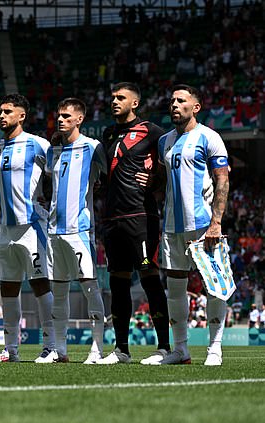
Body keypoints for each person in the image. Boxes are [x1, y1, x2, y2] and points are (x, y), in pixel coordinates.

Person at [97, 82, 171, 365]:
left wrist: (156, 180)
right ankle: (121, 350)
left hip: (141, 217)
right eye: (112, 97)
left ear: (135, 103)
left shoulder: (152, 132)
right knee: (118, 283)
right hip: (112, 219)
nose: (114, 101)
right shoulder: (108, 133)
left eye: (120, 98)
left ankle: (164, 347)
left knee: (149, 277)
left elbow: (170, 164)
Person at [156, 84, 231, 366]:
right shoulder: (165, 141)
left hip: (203, 226)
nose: (174, 104)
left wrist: (216, 222)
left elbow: (222, 180)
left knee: (214, 286)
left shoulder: (210, 137)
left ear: (195, 107)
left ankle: (214, 348)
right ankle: (181, 350)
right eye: (172, 100)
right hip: (172, 227)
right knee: (175, 289)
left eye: (181, 100)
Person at [0, 93, 55, 363]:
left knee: (40, 284)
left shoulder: (38, 144)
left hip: (32, 226)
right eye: (0, 111)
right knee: (8, 288)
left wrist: (47, 204)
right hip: (6, 227)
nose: (2, 116)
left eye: (7, 112)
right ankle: (10, 349)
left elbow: (58, 174)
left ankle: (50, 346)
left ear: (22, 116)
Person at [45, 98, 106, 364]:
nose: (61, 120)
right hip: (53, 232)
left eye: (67, 116)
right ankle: (60, 350)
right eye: (59, 115)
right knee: (58, 292)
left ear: (79, 119)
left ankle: (97, 349)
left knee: (90, 289)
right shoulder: (53, 151)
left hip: (79, 230)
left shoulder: (93, 148)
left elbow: (112, 176)